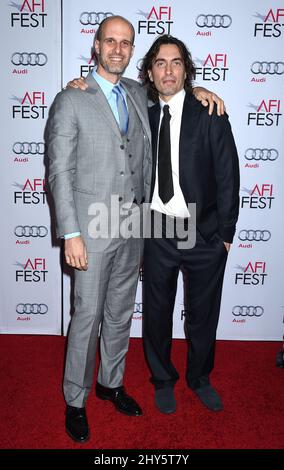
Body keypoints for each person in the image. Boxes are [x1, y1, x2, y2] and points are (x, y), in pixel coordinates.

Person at [49, 17, 224, 443]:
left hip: (133, 227)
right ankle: (76, 398)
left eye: (126, 43)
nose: (118, 49)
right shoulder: (70, 99)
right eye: (110, 40)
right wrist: (70, 233)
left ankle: (111, 384)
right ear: (96, 45)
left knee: (120, 314)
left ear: (132, 53)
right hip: (90, 230)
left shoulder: (135, 93)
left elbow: (173, 93)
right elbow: (59, 171)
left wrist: (199, 91)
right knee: (87, 317)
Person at [140, 35, 240, 414]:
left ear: (186, 69)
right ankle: (162, 379)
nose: (169, 70)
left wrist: (225, 234)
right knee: (157, 312)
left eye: (176, 62)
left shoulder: (209, 112)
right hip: (156, 230)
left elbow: (229, 175)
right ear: (150, 71)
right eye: (161, 63)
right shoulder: (141, 114)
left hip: (204, 233)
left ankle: (199, 377)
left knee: (203, 314)